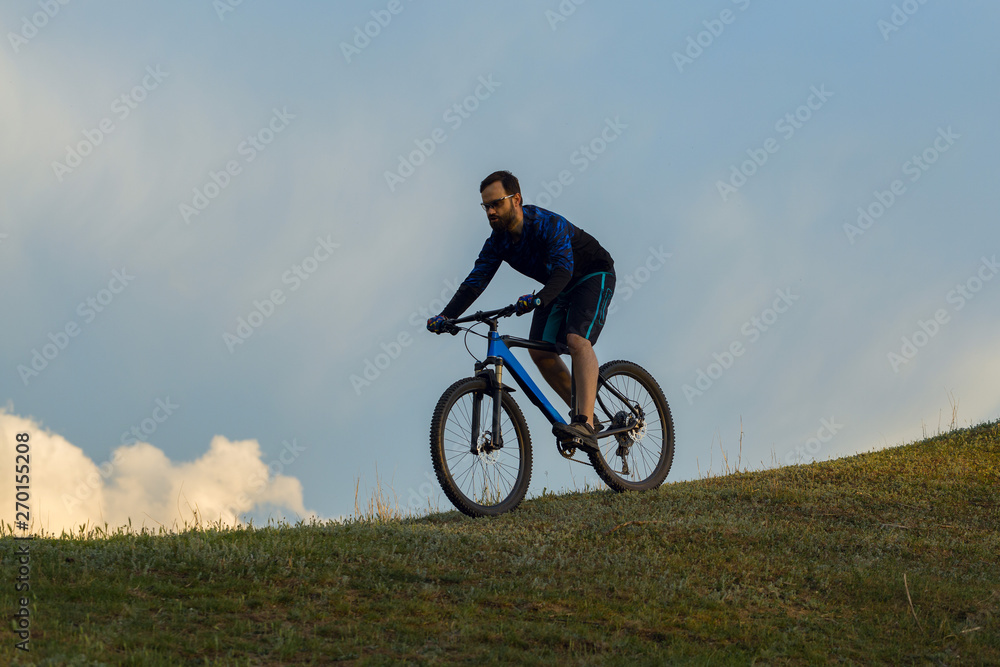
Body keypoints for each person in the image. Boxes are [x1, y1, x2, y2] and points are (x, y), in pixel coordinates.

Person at [426, 170, 615, 452]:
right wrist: (446, 316)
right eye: (486, 206)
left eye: (496, 204)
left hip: (591, 274)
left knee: (577, 340)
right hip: (558, 286)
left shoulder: (546, 224)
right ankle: (586, 417)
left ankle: (583, 423)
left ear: (516, 200)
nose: (490, 212)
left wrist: (538, 300)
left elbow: (564, 270)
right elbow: (474, 284)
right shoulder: (497, 242)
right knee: (540, 352)